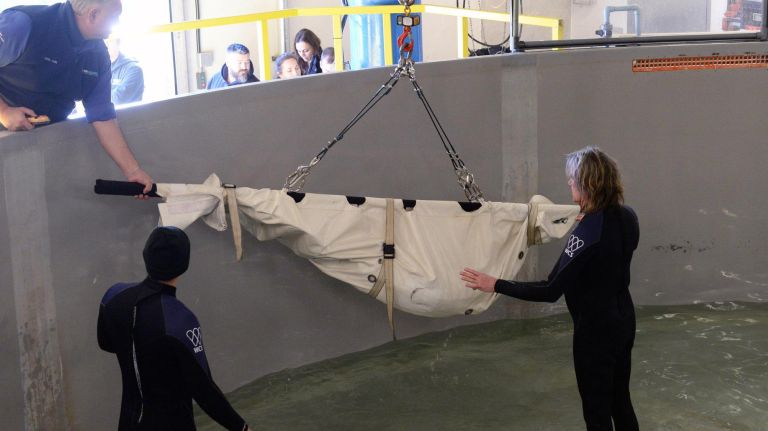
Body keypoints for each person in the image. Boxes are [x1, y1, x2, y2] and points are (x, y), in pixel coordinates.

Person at [460, 147, 640, 431]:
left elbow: (550, 289)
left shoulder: (586, 233)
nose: (569, 183)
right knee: (620, 401)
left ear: (588, 183)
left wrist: (494, 283)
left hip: (595, 332)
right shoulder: (628, 217)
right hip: (623, 322)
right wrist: (587, 222)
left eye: (572, 178)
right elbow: (608, 248)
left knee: (596, 411)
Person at [98, 226, 252, 431]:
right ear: (184, 264)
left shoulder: (114, 296)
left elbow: (106, 343)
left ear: (146, 255)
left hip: (129, 422)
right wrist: (241, 428)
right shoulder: (179, 319)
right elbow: (204, 390)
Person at [0, 0, 153, 196]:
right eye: (115, 17)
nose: (118, 25)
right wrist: (4, 112)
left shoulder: (97, 56)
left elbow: (103, 117)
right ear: (93, 14)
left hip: (43, 145)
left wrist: (133, 171)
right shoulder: (22, 25)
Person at [107, 38, 144, 105]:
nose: (106, 44)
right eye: (102, 40)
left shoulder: (134, 69)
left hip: (129, 115)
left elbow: (118, 100)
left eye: (110, 41)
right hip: (105, 114)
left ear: (118, 43)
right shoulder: (101, 67)